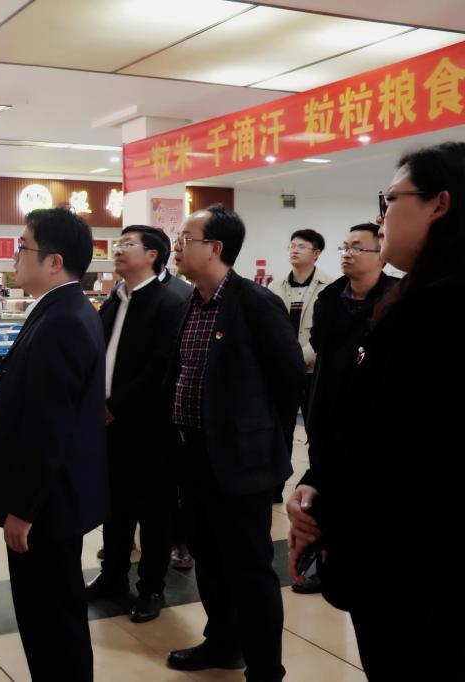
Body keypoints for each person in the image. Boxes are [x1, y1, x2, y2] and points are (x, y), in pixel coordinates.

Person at [288, 142, 465, 680]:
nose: (382, 218)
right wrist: (319, 481)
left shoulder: (435, 312)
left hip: (412, 570)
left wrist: (324, 514)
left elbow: (394, 451)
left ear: (438, 204)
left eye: (390, 200)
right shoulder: (410, 299)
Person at [165, 204, 303, 681]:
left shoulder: (255, 303)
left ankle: (265, 669)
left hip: (241, 461)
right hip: (194, 453)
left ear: (216, 248)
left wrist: (262, 442)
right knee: (209, 557)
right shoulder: (191, 301)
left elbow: (289, 381)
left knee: (249, 567)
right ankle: (223, 643)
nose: (177, 246)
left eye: (186, 238)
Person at [0, 207, 109, 682]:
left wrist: (23, 508)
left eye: (22, 247)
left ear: (54, 262)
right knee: (51, 613)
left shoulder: (63, 320)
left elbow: (48, 428)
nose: (14, 256)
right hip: (52, 500)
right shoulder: (60, 309)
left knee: (50, 618)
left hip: (47, 506)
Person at [85, 225, 188, 624]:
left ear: (152, 255)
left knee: (154, 511)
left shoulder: (170, 301)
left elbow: (161, 366)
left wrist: (117, 406)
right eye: (118, 242)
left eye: (128, 244)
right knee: (114, 506)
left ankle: (150, 588)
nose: (118, 249)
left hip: (150, 427)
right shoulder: (116, 298)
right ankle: (112, 575)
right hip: (108, 423)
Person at [289, 223, 395, 596]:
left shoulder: (397, 298)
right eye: (345, 247)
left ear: (381, 255)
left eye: (357, 248)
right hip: (327, 402)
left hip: (369, 409)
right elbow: (320, 346)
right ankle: (321, 559)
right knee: (323, 476)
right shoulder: (331, 297)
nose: (348, 254)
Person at [268, 229, 333, 503]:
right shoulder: (275, 286)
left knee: (316, 431)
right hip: (282, 372)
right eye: (291, 245)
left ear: (316, 253)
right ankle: (274, 488)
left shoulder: (330, 287)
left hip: (312, 372)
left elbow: (326, 334)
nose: (294, 250)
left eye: (302, 246)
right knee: (278, 430)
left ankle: (318, 485)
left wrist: (297, 359)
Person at [150, 229, 196, 571]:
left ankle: (180, 542)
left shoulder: (181, 294)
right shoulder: (122, 295)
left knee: (174, 483)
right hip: (132, 409)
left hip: (171, 405)